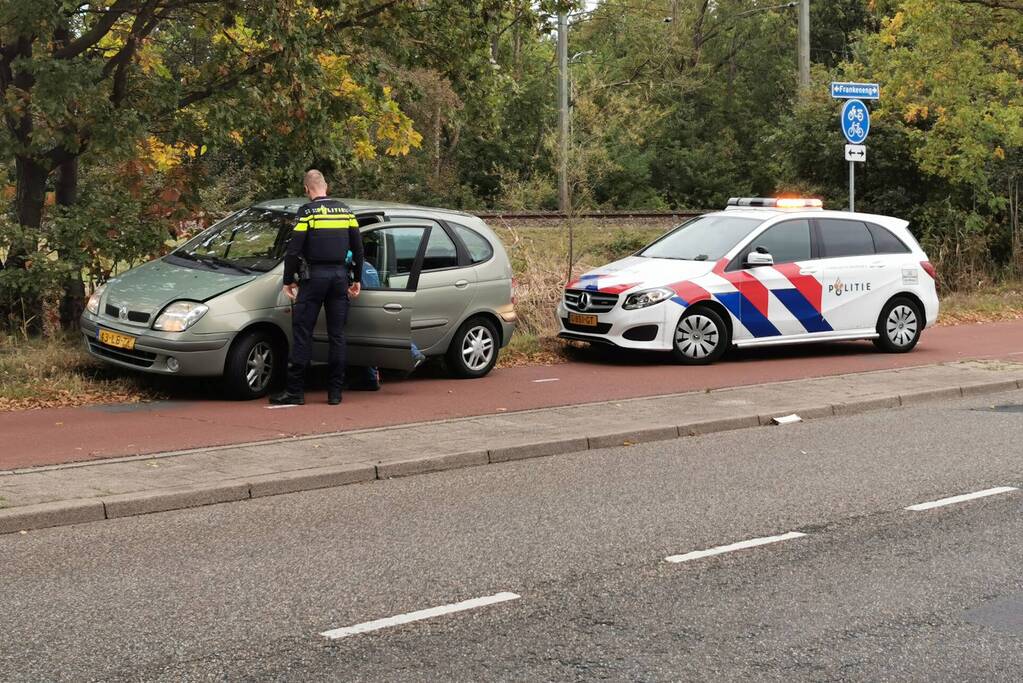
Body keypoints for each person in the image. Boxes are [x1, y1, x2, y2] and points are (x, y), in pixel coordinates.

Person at [269, 170, 362, 406]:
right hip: (340, 278)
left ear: (307, 189)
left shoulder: (307, 212)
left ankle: (295, 392)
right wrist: (357, 278)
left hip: (313, 278)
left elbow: (293, 250)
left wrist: (288, 280)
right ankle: (335, 393)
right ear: (326, 186)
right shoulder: (345, 211)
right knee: (337, 336)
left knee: (302, 334)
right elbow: (358, 248)